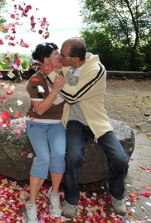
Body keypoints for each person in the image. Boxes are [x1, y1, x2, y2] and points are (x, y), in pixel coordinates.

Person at [40, 37, 129, 217]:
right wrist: (46, 65)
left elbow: (73, 96)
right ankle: (72, 198)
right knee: (72, 157)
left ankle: (117, 194)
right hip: (74, 120)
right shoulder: (67, 66)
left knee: (120, 159)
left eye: (63, 55)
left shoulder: (97, 70)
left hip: (96, 119)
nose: (61, 58)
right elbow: (49, 67)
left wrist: (50, 75)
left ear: (75, 59)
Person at [24, 43, 66, 222]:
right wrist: (55, 89)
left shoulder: (65, 75)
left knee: (58, 154)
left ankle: (54, 194)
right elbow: (39, 110)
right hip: (37, 123)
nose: (61, 57)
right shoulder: (35, 80)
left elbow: (85, 57)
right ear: (47, 60)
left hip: (56, 123)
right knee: (43, 157)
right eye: (57, 54)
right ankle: (31, 203)